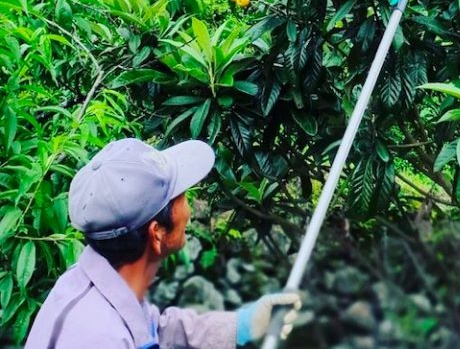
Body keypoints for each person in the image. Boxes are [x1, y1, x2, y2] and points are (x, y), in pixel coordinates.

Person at [24, 138, 301, 349]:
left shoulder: (104, 285)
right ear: (157, 233)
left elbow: (155, 328)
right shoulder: (98, 337)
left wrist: (242, 325)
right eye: (180, 196)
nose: (189, 208)